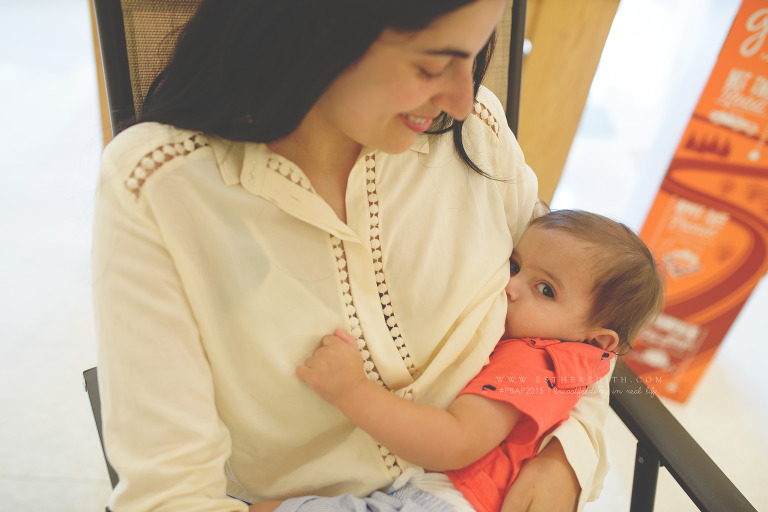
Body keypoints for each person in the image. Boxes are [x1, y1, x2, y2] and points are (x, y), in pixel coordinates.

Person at [93, 1, 612, 510]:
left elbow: (583, 312)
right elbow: (169, 496)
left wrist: (567, 458)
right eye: (431, 65)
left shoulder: (477, 130)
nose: (460, 99)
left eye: (474, 56)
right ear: (316, 26)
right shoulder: (157, 187)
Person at [254, 209, 665, 512]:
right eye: (515, 264)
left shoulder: (531, 362)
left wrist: (352, 391)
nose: (509, 285)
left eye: (545, 289)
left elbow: (455, 442)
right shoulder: (581, 360)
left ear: (597, 337)